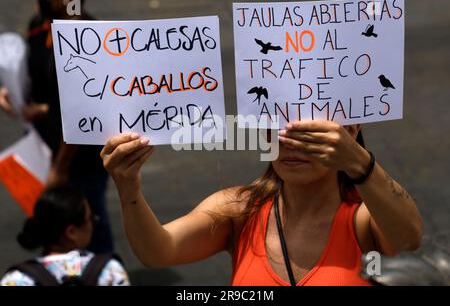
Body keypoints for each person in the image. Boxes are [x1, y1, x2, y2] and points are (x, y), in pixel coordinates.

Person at [100, 121, 423, 286]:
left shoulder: (362, 218)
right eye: (275, 127)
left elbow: (409, 237)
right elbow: (158, 251)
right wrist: (128, 188)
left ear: (348, 131)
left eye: (306, 132)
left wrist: (359, 162)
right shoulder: (240, 210)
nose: (288, 143)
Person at [0, 0, 114, 253]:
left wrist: (61, 166)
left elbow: (82, 107)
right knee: (58, 228)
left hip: (79, 155)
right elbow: (37, 78)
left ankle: (105, 273)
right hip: (45, 147)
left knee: (88, 222)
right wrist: (11, 92)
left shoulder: (86, 39)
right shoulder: (39, 26)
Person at [0, 187, 129, 286]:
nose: (94, 224)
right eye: (91, 219)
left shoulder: (17, 280)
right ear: (71, 232)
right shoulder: (110, 271)